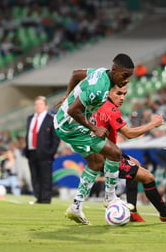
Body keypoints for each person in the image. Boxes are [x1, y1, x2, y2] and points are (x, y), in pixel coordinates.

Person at [54, 53, 135, 225]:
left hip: (64, 123)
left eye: (130, 76)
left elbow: (76, 73)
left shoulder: (100, 72)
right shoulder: (99, 88)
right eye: (125, 75)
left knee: (96, 163)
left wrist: (67, 97)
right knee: (115, 153)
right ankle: (110, 198)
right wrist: (94, 128)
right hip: (70, 127)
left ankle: (75, 207)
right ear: (115, 70)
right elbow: (73, 111)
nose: (127, 80)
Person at [92, 84, 166, 222]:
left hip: (104, 151)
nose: (122, 98)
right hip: (105, 155)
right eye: (118, 94)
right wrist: (152, 124)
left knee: (136, 164)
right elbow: (129, 134)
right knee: (148, 177)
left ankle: (132, 210)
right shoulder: (110, 109)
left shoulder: (99, 104)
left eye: (124, 94)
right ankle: (165, 213)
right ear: (108, 92)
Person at [23, 96, 60, 204]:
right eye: (36, 104)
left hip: (45, 152)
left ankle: (45, 199)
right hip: (31, 151)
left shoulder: (51, 119)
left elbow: (55, 138)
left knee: (45, 177)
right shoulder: (30, 118)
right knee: (35, 176)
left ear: (45, 106)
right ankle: (38, 197)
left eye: (40, 104)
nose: (38, 106)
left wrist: (51, 151)